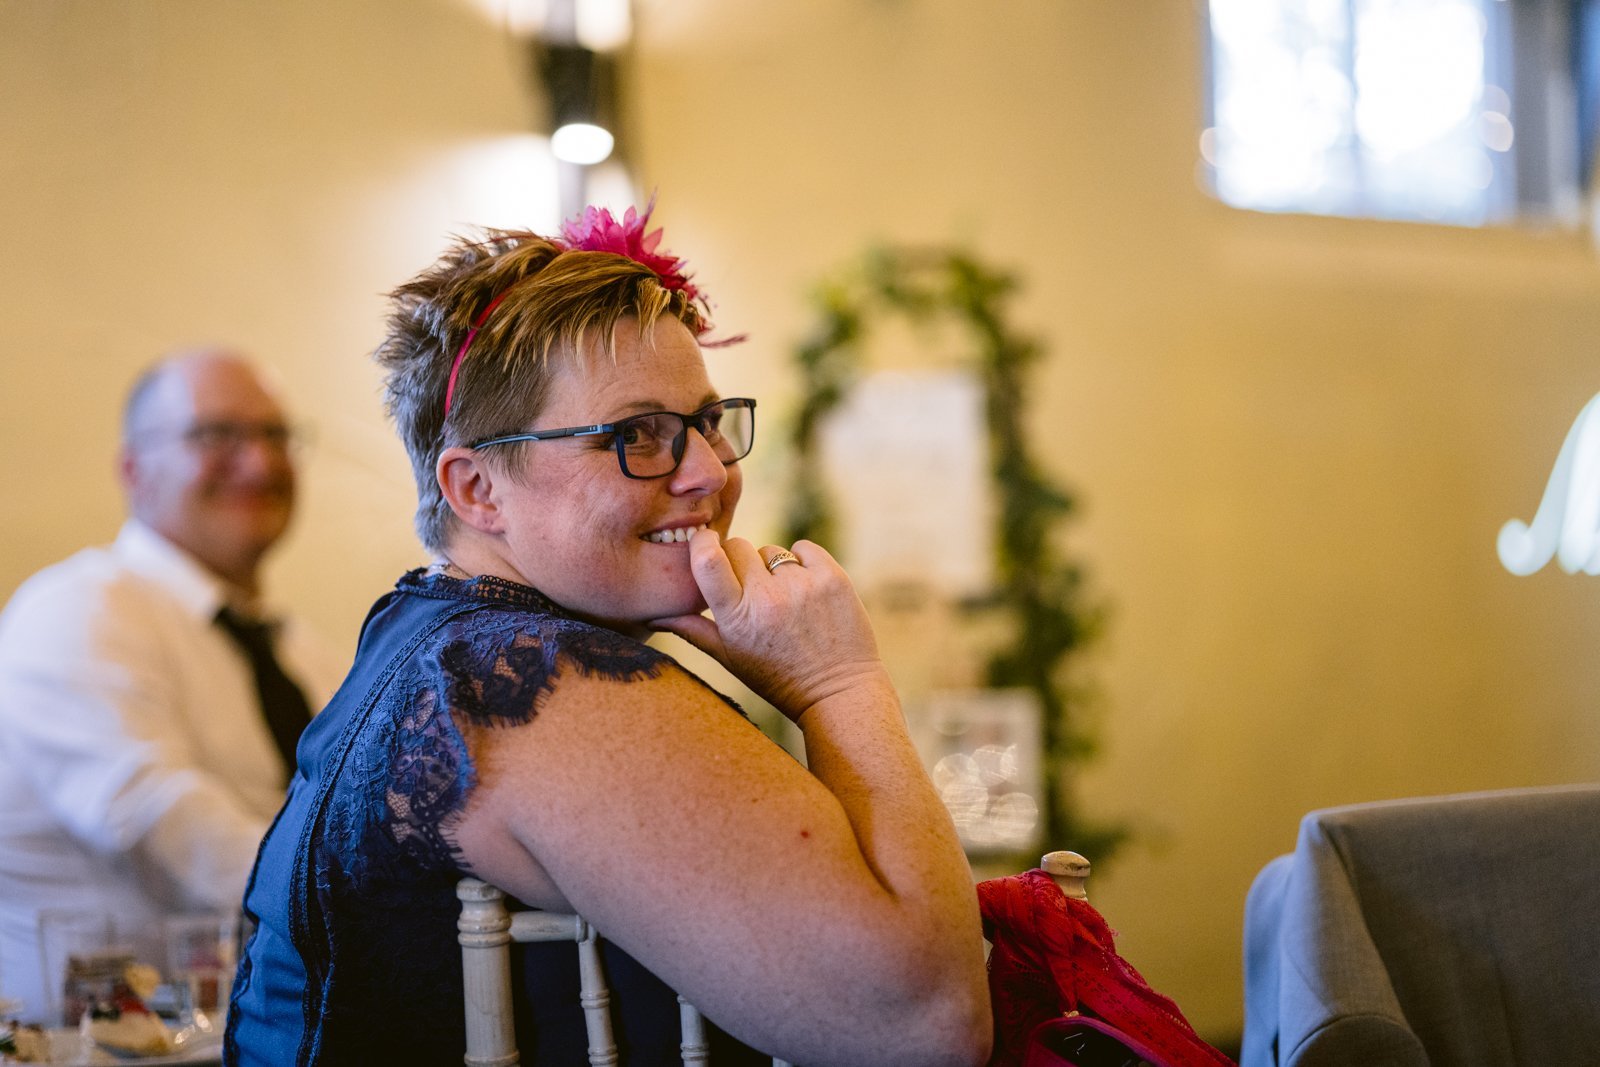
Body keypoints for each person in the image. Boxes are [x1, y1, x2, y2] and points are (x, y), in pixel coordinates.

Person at [225, 202, 993, 1067]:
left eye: (707, 421)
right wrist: (840, 683)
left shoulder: (424, 633)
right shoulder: (530, 680)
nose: (709, 471)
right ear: (478, 489)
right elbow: (926, 1024)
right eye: (636, 435)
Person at [0, 351, 345, 1024]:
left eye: (277, 436)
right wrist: (366, 911)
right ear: (133, 469)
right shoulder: (75, 608)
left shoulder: (311, 657)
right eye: (218, 435)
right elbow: (154, 812)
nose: (260, 462)